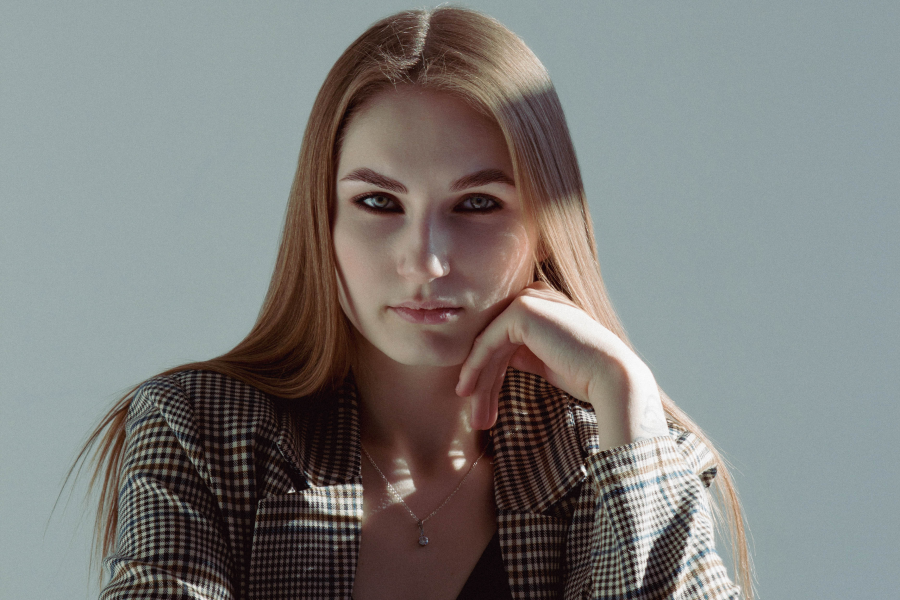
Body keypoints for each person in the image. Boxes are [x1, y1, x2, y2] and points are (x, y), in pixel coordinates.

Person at [77, 6, 751, 599]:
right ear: (322, 220)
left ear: (546, 226)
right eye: (378, 202)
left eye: (477, 204)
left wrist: (627, 398)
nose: (426, 261)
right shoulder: (199, 434)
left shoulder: (630, 459)